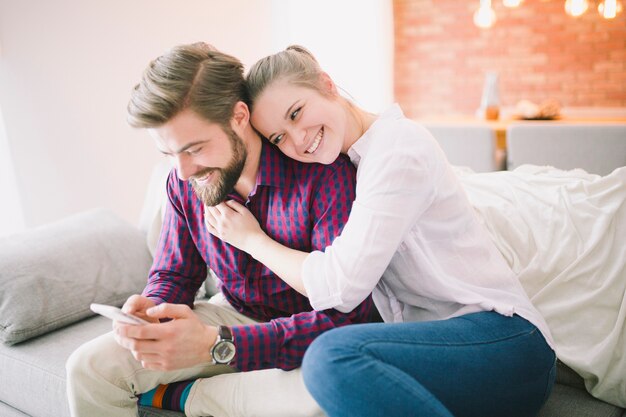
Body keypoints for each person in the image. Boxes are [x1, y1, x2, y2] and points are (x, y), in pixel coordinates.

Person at [205, 45, 557, 417]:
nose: (297, 139)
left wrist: (252, 240)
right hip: (431, 352)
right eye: (278, 137)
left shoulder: (397, 149)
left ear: (327, 84)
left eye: (297, 112)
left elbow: (340, 288)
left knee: (330, 356)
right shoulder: (349, 166)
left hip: (507, 344)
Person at [65, 42, 374, 417]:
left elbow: (344, 320)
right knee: (88, 367)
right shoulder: (183, 182)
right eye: (169, 154)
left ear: (239, 116)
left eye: (194, 149)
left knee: (325, 401)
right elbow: (175, 272)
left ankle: (188, 394)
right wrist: (154, 310)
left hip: (312, 337)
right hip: (233, 317)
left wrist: (221, 343)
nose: (182, 171)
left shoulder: (324, 173)